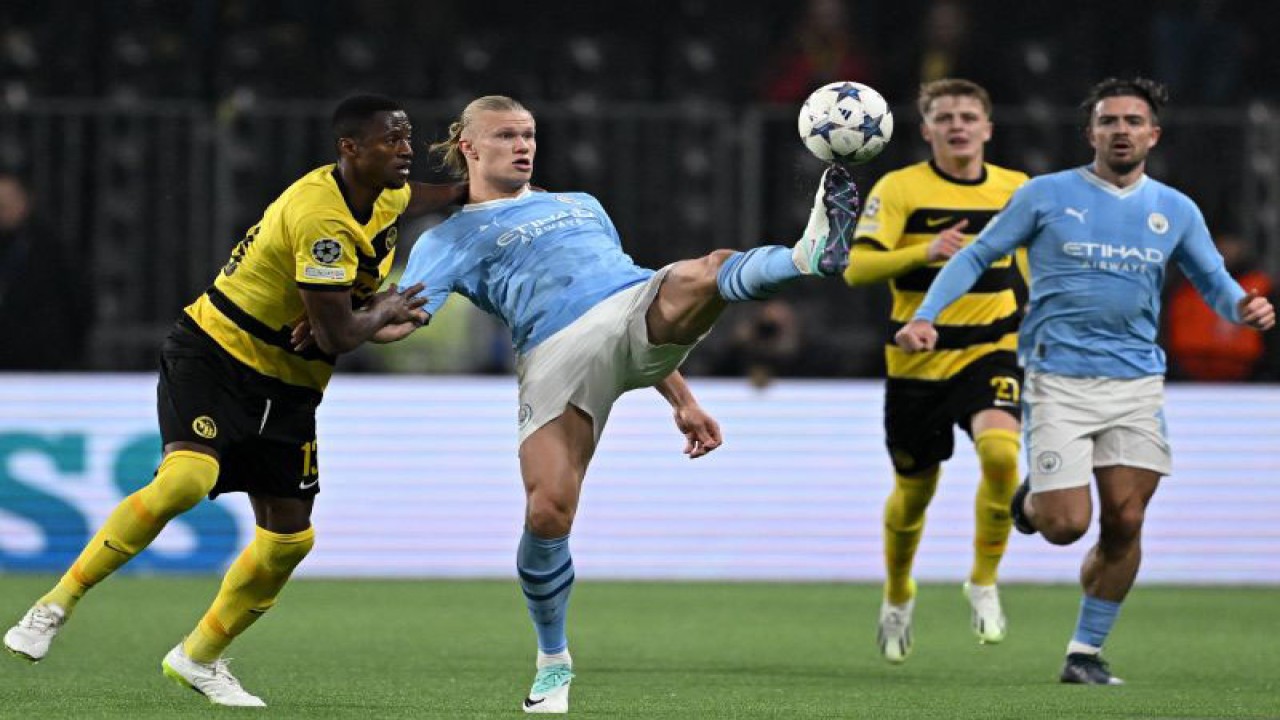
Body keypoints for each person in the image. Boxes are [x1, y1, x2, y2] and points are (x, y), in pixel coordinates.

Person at [391, 94, 857, 714]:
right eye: (505, 136)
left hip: (636, 310)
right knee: (549, 512)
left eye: (528, 134)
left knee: (706, 269)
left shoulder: (581, 205)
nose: (523, 145)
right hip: (556, 354)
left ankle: (807, 256)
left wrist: (682, 398)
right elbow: (404, 314)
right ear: (468, 146)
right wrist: (357, 321)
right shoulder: (448, 237)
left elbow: (624, 278)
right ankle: (553, 663)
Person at [3, 94, 465, 706]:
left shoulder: (387, 193)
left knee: (289, 542)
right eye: (393, 140)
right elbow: (339, 337)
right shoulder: (321, 217)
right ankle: (53, 605)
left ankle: (198, 657)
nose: (407, 149)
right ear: (350, 148)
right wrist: (376, 308)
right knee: (185, 481)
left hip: (292, 383)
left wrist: (493, 175)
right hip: (217, 355)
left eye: (409, 138)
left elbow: (446, 199)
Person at [894, 77, 1276, 685]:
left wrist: (1242, 308)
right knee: (1067, 526)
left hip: (1137, 384)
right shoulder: (1046, 195)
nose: (1120, 130)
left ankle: (1084, 653)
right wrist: (924, 315)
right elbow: (974, 255)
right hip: (1058, 380)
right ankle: (1031, 502)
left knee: (1125, 521)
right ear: (1091, 132)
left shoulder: (1175, 209)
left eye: (1132, 121)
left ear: (1153, 133)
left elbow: (1213, 281)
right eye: (1108, 121)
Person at [843, 78, 1028, 664]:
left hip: (993, 349)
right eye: (945, 117)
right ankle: (899, 592)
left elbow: (1031, 267)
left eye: (969, 116)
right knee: (914, 494)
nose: (958, 125)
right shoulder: (901, 188)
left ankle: (984, 579)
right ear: (926, 130)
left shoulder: (1016, 189)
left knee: (1002, 456)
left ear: (988, 128)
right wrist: (923, 252)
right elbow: (857, 269)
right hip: (916, 360)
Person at [0, 173, 91, 370]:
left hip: (45, 363)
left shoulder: (51, 249)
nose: (4, 207)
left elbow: (78, 302)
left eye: (10, 199)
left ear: (26, 200)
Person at [1166, 233, 1277, 381]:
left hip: (1249, 377)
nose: (1224, 249)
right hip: (1184, 374)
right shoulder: (1180, 285)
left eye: (1230, 243)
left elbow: (1273, 339)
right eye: (1217, 242)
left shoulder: (1262, 287)